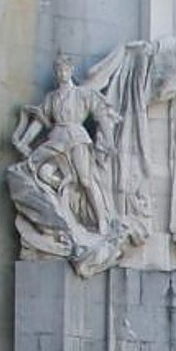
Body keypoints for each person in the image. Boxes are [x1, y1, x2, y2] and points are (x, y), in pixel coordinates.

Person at [12, 53, 118, 231]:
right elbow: (39, 121)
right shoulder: (51, 97)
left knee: (85, 180)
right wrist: (25, 141)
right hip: (56, 139)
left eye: (65, 69)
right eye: (59, 70)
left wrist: (109, 142)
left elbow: (101, 116)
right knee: (44, 173)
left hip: (76, 138)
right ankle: (66, 207)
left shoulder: (82, 94)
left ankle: (101, 220)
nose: (62, 73)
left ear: (71, 70)